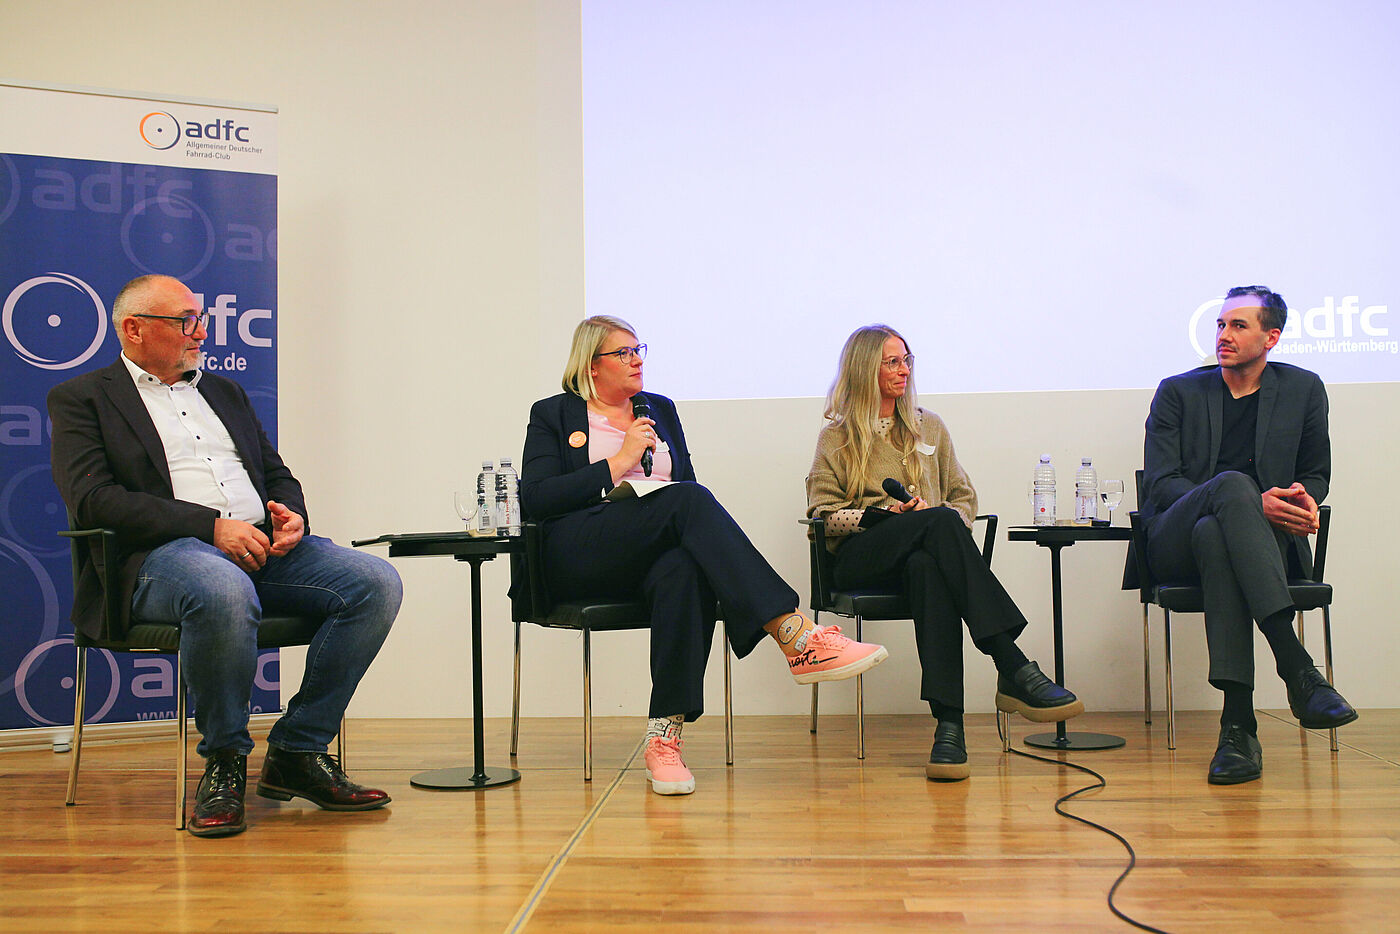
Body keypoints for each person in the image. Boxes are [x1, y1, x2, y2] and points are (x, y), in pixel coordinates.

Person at [48, 274, 402, 837]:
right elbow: (94, 500)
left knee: (374, 581)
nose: (202, 331)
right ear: (134, 329)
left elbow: (275, 471)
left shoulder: (224, 391)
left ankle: (297, 749)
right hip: (159, 557)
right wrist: (210, 528)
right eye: (185, 321)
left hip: (260, 544)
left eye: (201, 318)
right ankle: (225, 760)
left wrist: (289, 512)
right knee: (219, 586)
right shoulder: (84, 398)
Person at [519, 315, 888, 796]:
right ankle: (796, 636)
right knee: (690, 499)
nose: (636, 361)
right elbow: (538, 499)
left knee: (683, 569)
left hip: (646, 549)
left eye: (639, 350)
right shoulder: (553, 414)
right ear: (590, 365)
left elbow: (682, 486)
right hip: (579, 552)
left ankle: (664, 737)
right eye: (623, 353)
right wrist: (617, 462)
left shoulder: (659, 409)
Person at [807, 325, 1083, 781]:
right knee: (934, 524)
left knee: (928, 561)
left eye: (907, 359)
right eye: (892, 361)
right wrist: (884, 516)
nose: (904, 369)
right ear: (864, 368)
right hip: (860, 558)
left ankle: (949, 728)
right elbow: (822, 516)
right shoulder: (836, 437)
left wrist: (930, 516)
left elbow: (964, 499)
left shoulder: (928, 424)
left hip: (920, 557)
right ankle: (1011, 663)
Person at [1141, 285, 1356, 785]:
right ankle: (1296, 665)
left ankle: (1237, 727)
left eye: (1238, 325)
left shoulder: (1304, 389)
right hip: (1174, 540)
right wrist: (1240, 497)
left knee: (1220, 536)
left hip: (1248, 545)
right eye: (1220, 325)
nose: (1224, 335)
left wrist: (1303, 497)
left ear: (1271, 336)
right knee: (1233, 489)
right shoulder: (1178, 391)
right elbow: (1161, 484)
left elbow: (1316, 473)